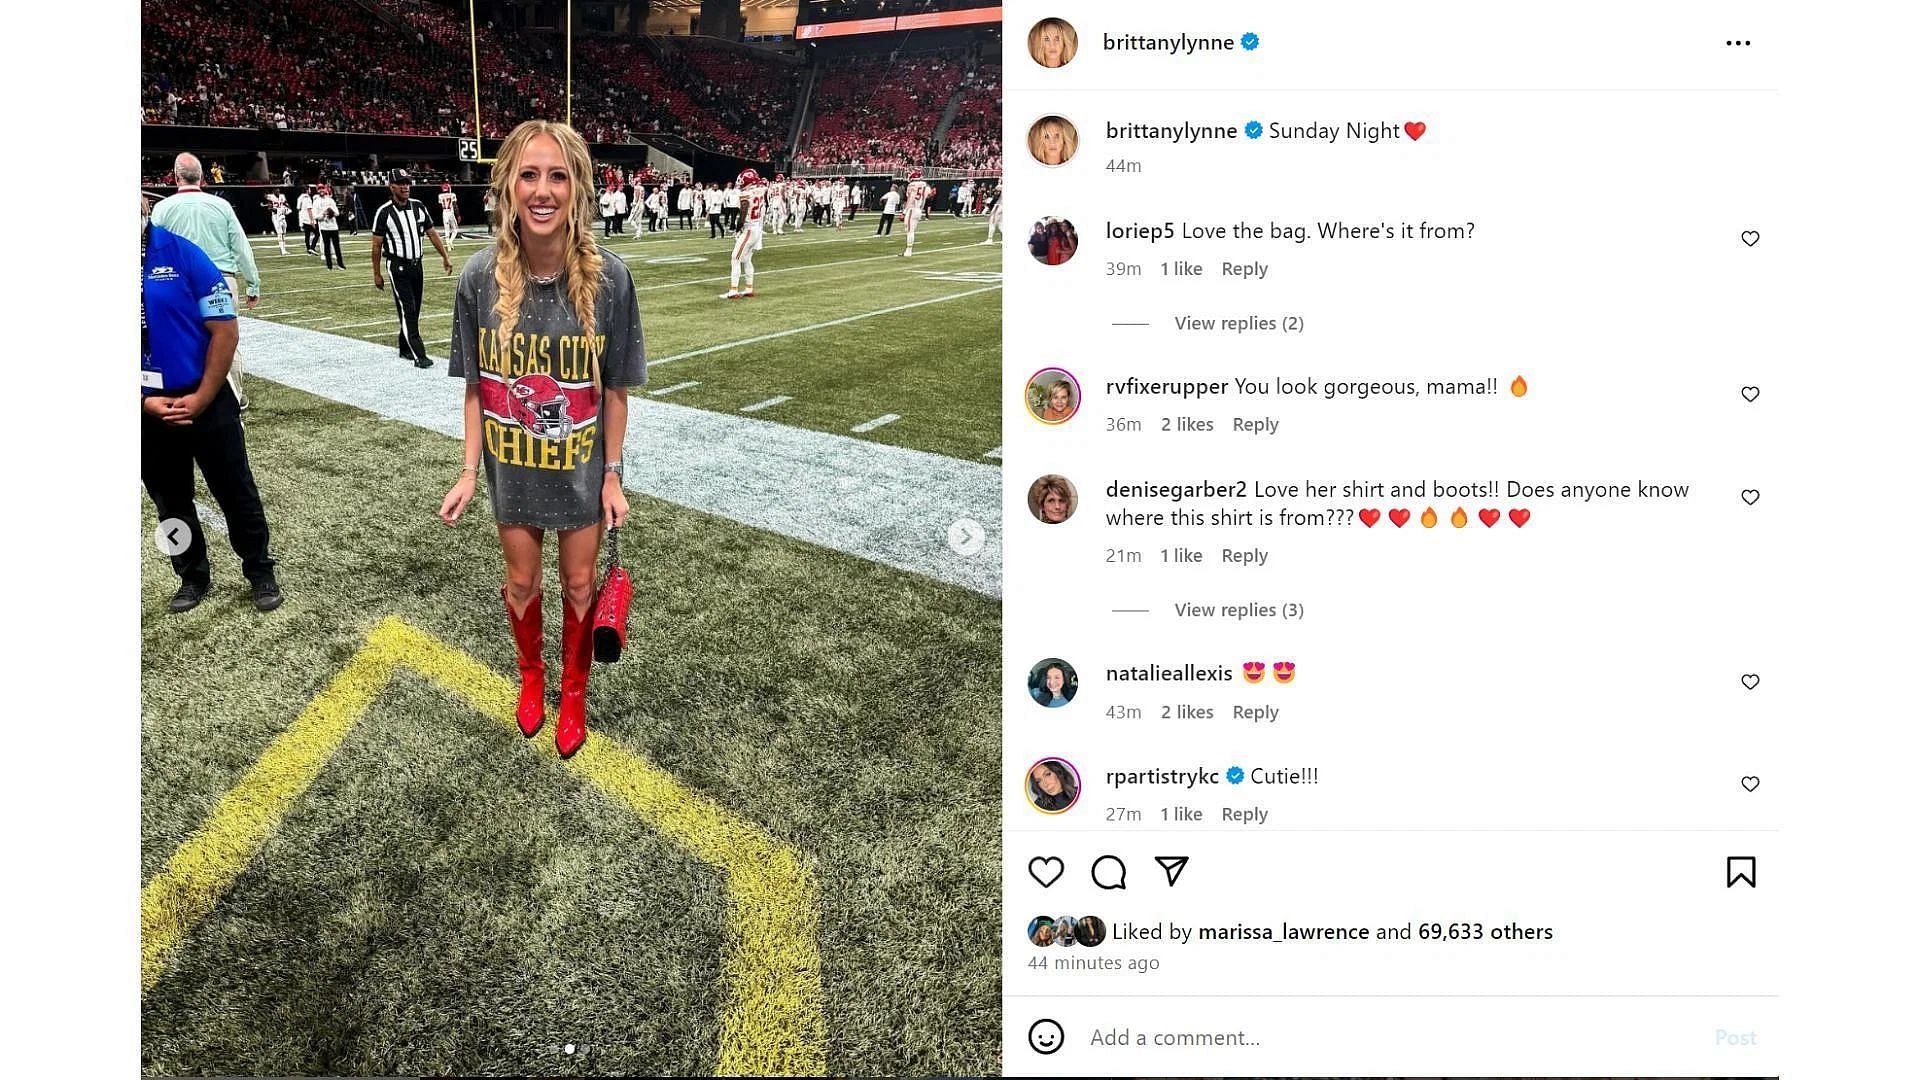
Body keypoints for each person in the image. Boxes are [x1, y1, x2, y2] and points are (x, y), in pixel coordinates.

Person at [439, 119, 647, 760]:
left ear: (578, 186)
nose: (542, 190)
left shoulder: (610, 278)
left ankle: (573, 693)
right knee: (522, 584)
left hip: (582, 473)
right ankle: (533, 677)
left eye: (557, 175)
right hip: (514, 470)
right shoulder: (478, 277)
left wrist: (612, 473)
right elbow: (476, 386)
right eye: (528, 174)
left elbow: (615, 390)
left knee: (580, 587)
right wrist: (470, 470)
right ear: (507, 184)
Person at [142, 197, 282, 613]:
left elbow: (225, 331)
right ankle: (189, 575)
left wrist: (203, 396)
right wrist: (143, 400)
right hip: (147, 409)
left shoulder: (184, 254)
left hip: (206, 399)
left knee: (236, 491)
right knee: (169, 503)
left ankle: (260, 570)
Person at [150, 153, 262, 408]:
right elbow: (241, 246)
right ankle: (232, 399)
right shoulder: (221, 206)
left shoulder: (163, 208)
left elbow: (152, 250)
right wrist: (253, 283)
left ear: (176, 176)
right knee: (226, 340)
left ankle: (184, 394)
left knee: (180, 339)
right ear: (202, 177)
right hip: (220, 282)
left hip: (178, 284)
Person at [370, 170, 455, 368]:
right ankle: (419, 355)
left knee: (414, 310)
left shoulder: (418, 207)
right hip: (397, 266)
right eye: (400, 183)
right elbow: (376, 246)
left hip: (417, 265)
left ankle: (404, 347)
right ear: (391, 186)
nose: (405, 186)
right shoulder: (384, 212)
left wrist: (445, 257)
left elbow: (432, 233)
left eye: (407, 182)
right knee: (408, 309)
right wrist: (376, 273)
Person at [726, 167, 766, 300]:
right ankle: (749, 288)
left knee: (735, 258)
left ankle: (733, 290)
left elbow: (743, 211)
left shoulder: (746, 194)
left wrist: (738, 227)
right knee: (747, 259)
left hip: (749, 229)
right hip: (757, 229)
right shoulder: (761, 190)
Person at [312, 183, 344, 269]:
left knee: (336, 244)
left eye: (322, 188)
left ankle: (337, 259)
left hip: (333, 226)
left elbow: (337, 213)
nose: (321, 190)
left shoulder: (330, 200)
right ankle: (325, 258)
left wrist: (331, 213)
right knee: (324, 242)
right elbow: (315, 216)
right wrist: (323, 214)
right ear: (317, 190)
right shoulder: (316, 202)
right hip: (323, 226)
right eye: (319, 189)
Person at [900, 168, 931, 256]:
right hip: (918, 209)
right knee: (910, 230)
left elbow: (911, 198)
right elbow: (926, 196)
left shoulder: (911, 185)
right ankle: (908, 250)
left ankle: (908, 251)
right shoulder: (925, 185)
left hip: (912, 209)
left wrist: (904, 211)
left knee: (909, 230)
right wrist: (921, 209)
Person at [263, 189, 291, 254]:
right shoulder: (271, 197)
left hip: (282, 216)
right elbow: (269, 208)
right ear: (273, 192)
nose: (278, 192)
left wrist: (287, 209)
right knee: (280, 233)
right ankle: (282, 250)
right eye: (276, 191)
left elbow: (286, 204)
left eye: (278, 191)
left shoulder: (282, 196)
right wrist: (279, 210)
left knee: (284, 233)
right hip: (276, 217)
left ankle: (284, 249)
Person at [296, 183, 319, 254]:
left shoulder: (300, 198)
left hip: (303, 218)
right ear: (307, 190)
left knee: (307, 235)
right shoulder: (307, 198)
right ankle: (312, 247)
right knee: (317, 233)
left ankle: (308, 249)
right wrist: (312, 220)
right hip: (308, 219)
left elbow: (298, 208)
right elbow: (309, 210)